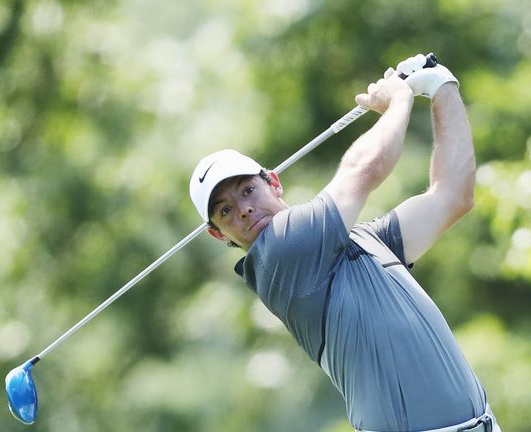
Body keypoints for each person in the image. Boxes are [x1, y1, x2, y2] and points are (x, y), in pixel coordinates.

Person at [188, 54, 500, 432]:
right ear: (218, 234)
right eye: (224, 211)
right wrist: (399, 100)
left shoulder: (367, 239)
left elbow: (453, 196)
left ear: (274, 182)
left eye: (248, 190)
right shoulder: (280, 253)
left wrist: (442, 88)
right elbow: (363, 170)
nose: (243, 210)